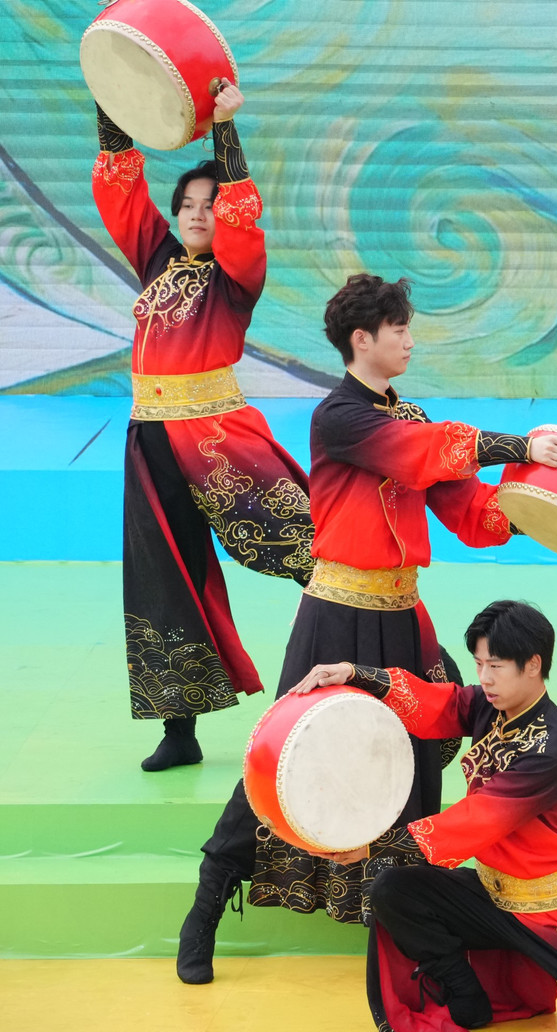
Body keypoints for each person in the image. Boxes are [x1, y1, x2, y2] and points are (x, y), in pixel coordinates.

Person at [174, 274, 557, 984]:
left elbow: (467, 508)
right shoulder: (339, 418)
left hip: (403, 619)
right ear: (363, 339)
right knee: (285, 758)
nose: (411, 341)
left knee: (410, 763)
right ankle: (205, 909)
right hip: (334, 617)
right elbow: (422, 453)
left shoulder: (409, 416)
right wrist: (518, 443)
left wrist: (538, 507)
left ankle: (403, 935)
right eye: (400, 330)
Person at [288, 600, 557, 1032]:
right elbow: (436, 704)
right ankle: (464, 990)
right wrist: (354, 673)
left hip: (550, 909)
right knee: (393, 890)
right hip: (490, 894)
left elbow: (479, 820)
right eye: (479, 664)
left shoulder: (552, 748)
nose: (485, 678)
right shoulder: (487, 705)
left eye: (495, 666)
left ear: (533, 665)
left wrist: (371, 845)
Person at [92, 81, 314, 771]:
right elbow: (122, 191)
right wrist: (111, 95)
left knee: (317, 549)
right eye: (186, 204)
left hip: (221, 441)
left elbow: (245, 218)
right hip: (150, 440)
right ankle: (179, 729)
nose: (196, 214)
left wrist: (224, 128)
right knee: (163, 579)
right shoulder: (157, 261)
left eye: (209, 205)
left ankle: (394, 663)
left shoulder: (236, 278)